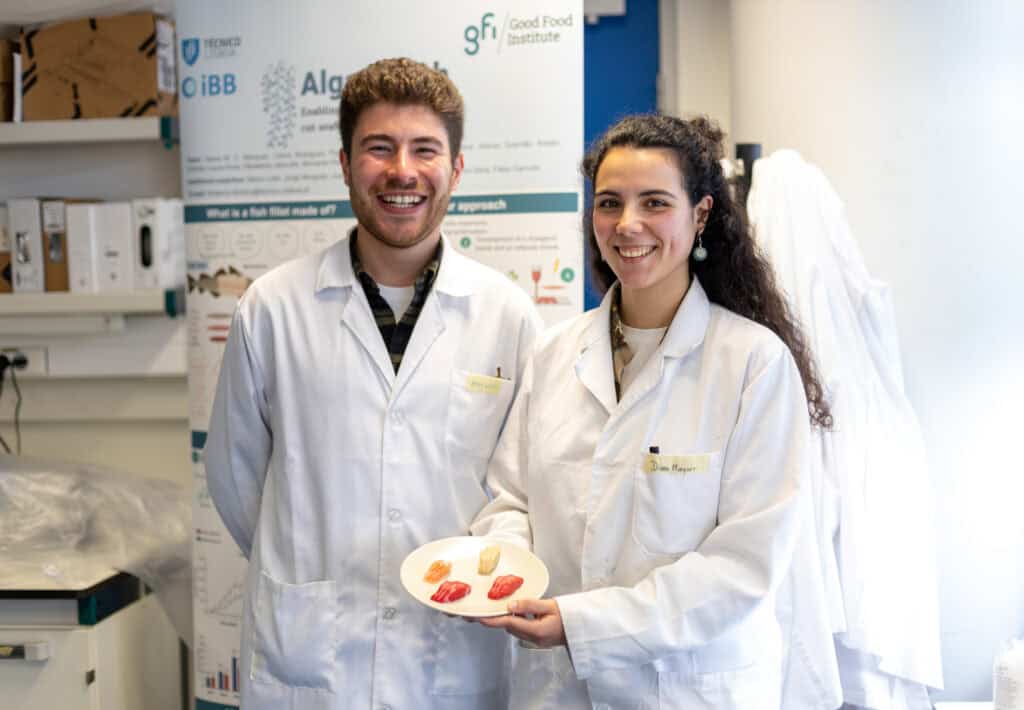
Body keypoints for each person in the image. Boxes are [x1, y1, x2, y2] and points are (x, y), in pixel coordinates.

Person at [204, 58, 542, 710]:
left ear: (457, 169)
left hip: (452, 657)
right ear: (345, 163)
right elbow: (236, 479)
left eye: (425, 150)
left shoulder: (508, 316)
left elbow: (520, 488)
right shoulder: (273, 309)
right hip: (311, 663)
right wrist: (307, 565)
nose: (402, 171)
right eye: (378, 148)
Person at [471, 113, 832, 709]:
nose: (628, 224)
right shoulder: (555, 353)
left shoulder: (752, 365)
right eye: (609, 202)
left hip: (688, 688)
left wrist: (581, 624)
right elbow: (510, 499)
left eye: (655, 202)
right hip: (557, 689)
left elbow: (743, 564)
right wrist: (507, 572)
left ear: (702, 214)